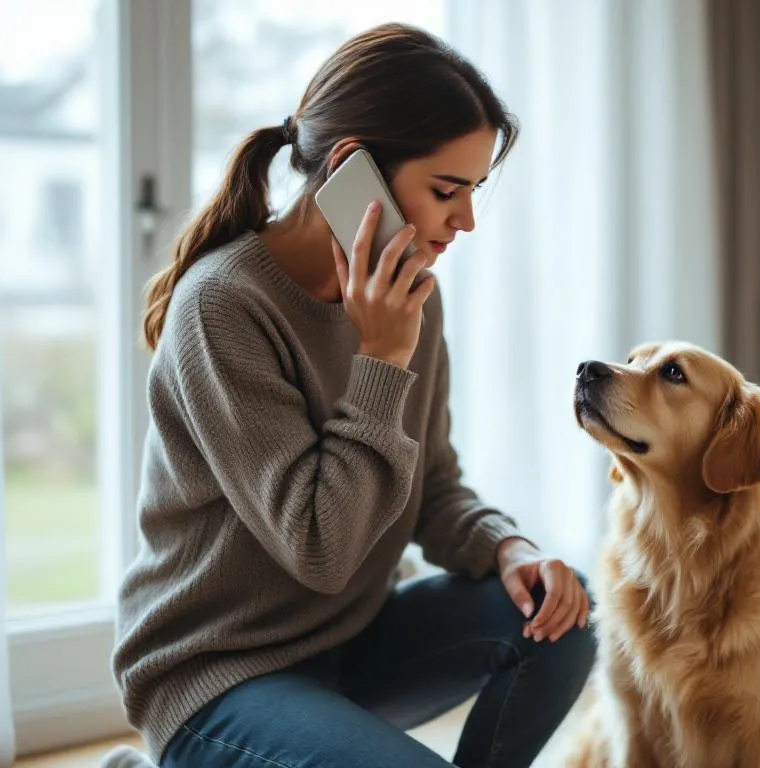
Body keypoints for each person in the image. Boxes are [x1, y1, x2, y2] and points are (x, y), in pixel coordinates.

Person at [103, 23, 596, 768]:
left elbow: (430, 486)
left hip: (350, 644)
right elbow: (319, 551)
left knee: (564, 616)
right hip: (216, 677)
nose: (464, 221)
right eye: (445, 190)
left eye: (474, 193)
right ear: (350, 169)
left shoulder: (409, 299)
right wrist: (382, 357)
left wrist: (507, 545)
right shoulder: (222, 308)